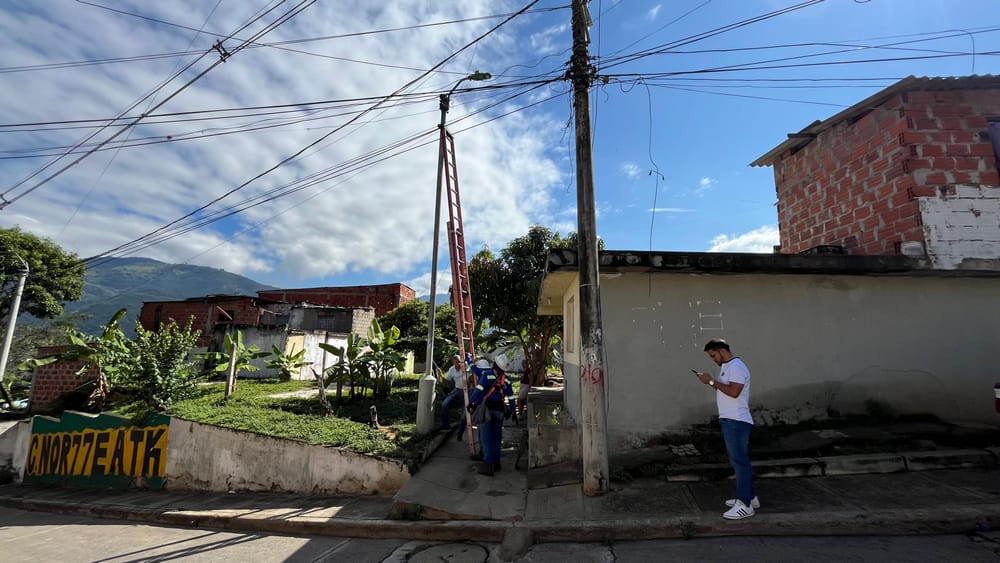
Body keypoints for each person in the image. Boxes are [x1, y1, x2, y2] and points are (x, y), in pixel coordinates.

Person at [695, 338, 757, 520]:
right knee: (739, 460)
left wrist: (711, 382)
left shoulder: (736, 367)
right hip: (731, 420)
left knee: (740, 462)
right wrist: (712, 382)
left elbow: (734, 391)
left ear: (721, 350)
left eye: (713, 355)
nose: (713, 359)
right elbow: (728, 390)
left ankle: (745, 505)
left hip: (736, 421)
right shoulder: (729, 367)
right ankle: (750, 498)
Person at [468, 358, 513, 476]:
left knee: (486, 438)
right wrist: (512, 411)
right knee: (497, 438)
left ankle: (488, 465)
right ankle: (497, 463)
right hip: (500, 412)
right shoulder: (507, 380)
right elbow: (511, 397)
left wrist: (471, 403)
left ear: (495, 364)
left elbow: (479, 390)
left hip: (487, 410)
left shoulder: (487, 375)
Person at [439, 355, 467, 431]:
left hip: (467, 390)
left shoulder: (466, 366)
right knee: (445, 404)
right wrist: (441, 376)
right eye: (456, 362)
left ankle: (465, 425)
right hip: (457, 389)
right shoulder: (452, 369)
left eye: (459, 362)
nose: (458, 364)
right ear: (453, 363)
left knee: (465, 408)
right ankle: (446, 426)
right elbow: (447, 381)